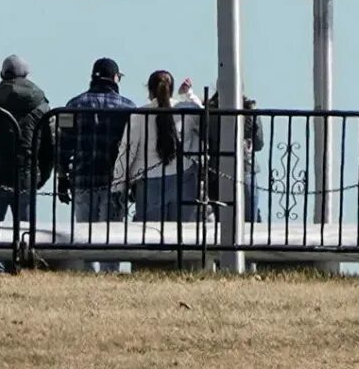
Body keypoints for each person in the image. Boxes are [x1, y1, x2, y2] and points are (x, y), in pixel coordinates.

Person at [0, 54, 53, 272]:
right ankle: (21, 265)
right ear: (26, 75)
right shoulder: (41, 105)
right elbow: (49, 147)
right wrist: (41, 176)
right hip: (26, 175)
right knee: (25, 227)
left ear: (3, 75)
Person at [55, 57, 135, 272]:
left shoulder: (74, 105)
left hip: (82, 180)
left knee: (84, 235)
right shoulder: (128, 108)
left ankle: (87, 275)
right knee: (112, 236)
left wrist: (62, 177)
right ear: (116, 78)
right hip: (114, 182)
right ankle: (110, 274)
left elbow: (63, 145)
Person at [114, 71, 204, 222]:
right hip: (184, 179)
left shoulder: (138, 115)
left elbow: (127, 152)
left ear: (149, 90)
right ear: (172, 89)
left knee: (151, 237)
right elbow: (205, 118)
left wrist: (118, 184)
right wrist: (188, 95)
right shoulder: (187, 111)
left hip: (150, 182)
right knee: (184, 236)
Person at [204, 92, 265, 224]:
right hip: (245, 167)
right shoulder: (249, 110)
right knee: (249, 220)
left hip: (217, 170)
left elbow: (205, 139)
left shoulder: (210, 111)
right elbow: (259, 143)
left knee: (222, 221)